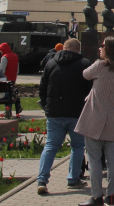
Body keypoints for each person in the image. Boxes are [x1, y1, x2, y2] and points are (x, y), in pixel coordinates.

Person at [75, 37, 114, 206]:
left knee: (94, 160)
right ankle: (111, 196)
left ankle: (96, 196)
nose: (100, 48)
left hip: (94, 119)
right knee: (113, 160)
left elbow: (85, 74)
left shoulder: (100, 66)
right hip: (113, 120)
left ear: (109, 49)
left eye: (103, 46)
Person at [37, 38, 92, 194]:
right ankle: (73, 179)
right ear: (78, 50)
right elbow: (90, 89)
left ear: (64, 48)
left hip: (54, 112)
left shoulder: (51, 64)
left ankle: (42, 180)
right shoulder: (84, 64)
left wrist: (47, 106)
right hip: (77, 113)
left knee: (50, 146)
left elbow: (42, 88)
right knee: (77, 146)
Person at [0, 43, 22, 116]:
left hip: (6, 79)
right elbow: (17, 69)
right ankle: (15, 108)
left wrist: (1, 77)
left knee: (7, 95)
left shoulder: (5, 57)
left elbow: (2, 69)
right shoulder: (15, 56)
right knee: (12, 94)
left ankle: (7, 110)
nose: (0, 52)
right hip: (13, 78)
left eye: (1, 50)